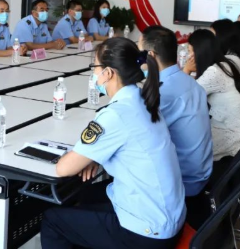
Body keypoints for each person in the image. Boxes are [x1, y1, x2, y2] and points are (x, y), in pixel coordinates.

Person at [40, 38, 185, 249]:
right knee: (86, 195)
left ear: (108, 73)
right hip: (168, 215)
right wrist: (94, 156)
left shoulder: (115, 114)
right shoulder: (143, 99)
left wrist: (85, 155)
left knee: (53, 220)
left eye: (95, 67)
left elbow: (64, 168)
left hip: (149, 233)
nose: (94, 74)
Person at [139, 26, 213, 228]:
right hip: (201, 171)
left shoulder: (164, 92)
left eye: (140, 54)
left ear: (151, 56)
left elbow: (140, 138)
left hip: (183, 181)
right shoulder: (189, 82)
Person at [183, 30, 240, 162]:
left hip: (235, 137)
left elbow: (186, 97)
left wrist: (186, 70)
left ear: (201, 52)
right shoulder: (226, 63)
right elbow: (198, 86)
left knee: (183, 147)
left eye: (191, 52)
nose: (189, 57)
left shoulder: (214, 72)